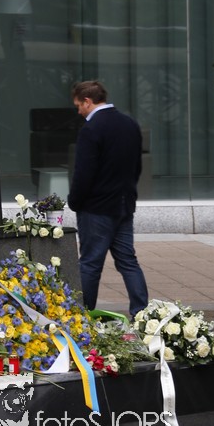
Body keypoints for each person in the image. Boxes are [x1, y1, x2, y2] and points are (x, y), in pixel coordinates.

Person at [67, 79, 149, 319]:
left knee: (90, 264)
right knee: (128, 261)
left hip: (96, 209)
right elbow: (137, 167)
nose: (78, 111)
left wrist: (75, 201)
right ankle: (142, 314)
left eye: (78, 106)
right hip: (124, 205)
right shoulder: (130, 124)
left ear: (87, 101)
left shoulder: (91, 129)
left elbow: (84, 173)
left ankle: (83, 316)